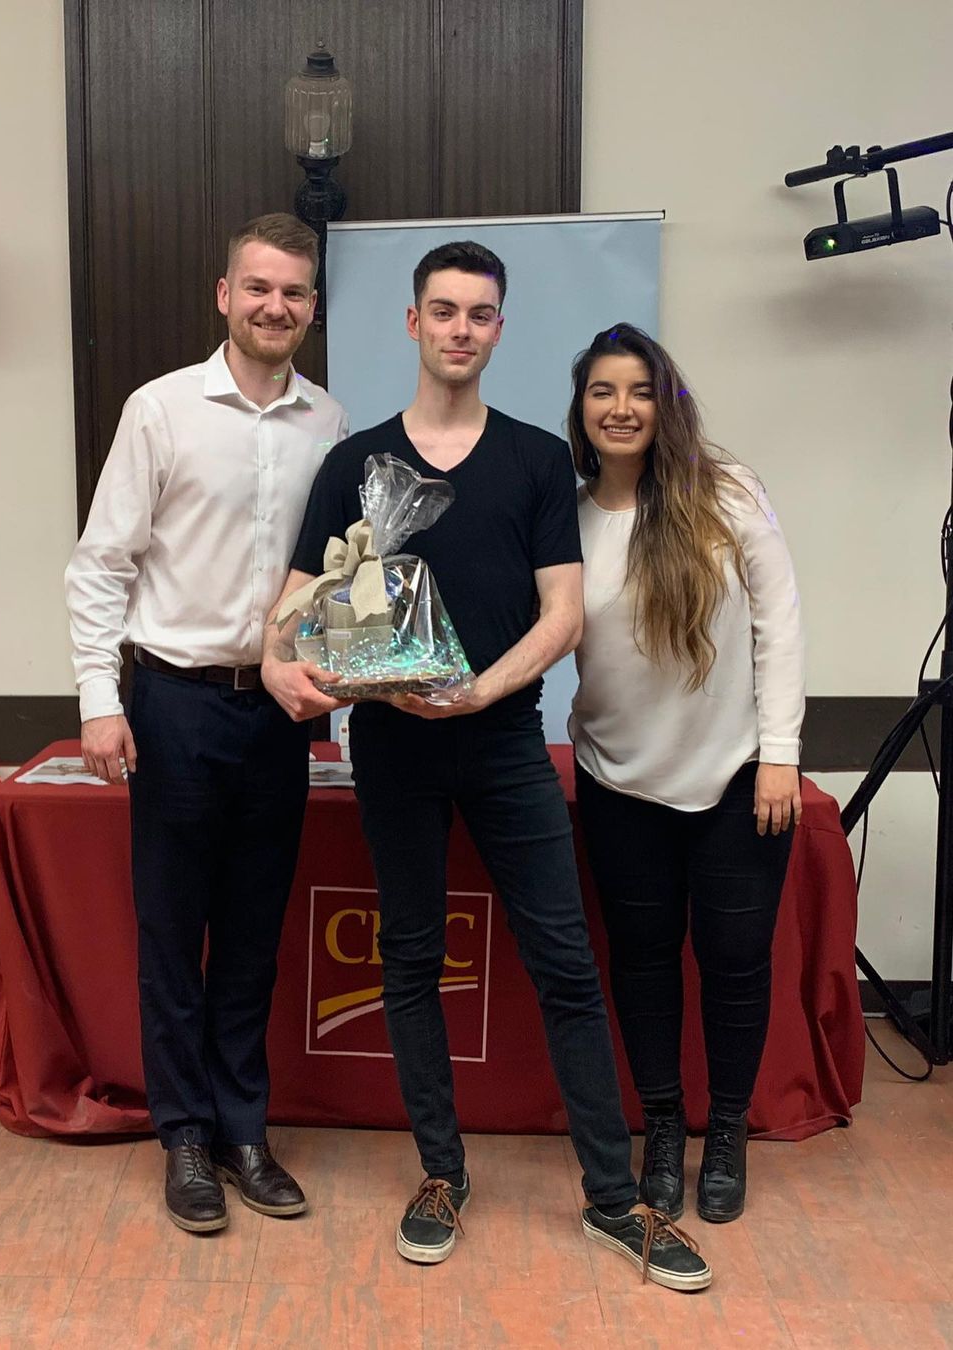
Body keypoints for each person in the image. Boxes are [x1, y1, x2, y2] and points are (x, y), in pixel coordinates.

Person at [263, 243, 711, 1291]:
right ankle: (440, 1174)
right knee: (409, 959)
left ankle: (614, 1201)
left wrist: (479, 690)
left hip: (507, 744)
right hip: (391, 749)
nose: (460, 329)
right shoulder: (356, 466)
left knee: (565, 964)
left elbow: (563, 614)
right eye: (444, 310)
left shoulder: (535, 461)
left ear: (499, 330)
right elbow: (288, 612)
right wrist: (303, 660)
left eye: (479, 314)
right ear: (412, 323)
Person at [65, 213, 349, 1234]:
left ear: (312, 308)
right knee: (172, 929)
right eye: (258, 288)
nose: (276, 306)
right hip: (175, 703)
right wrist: (101, 701)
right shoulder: (161, 410)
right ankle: (183, 1134)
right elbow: (101, 565)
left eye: (294, 292)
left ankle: (243, 1131)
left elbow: (337, 578)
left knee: (253, 935)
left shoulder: (331, 423)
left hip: (277, 712)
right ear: (224, 295)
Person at [567, 323, 805, 1224]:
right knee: (642, 960)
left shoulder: (728, 492)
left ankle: (727, 1130)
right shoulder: (568, 518)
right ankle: (663, 1126)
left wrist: (780, 755)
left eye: (639, 390)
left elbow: (779, 623)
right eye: (602, 391)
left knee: (735, 962)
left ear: (666, 404)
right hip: (617, 780)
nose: (621, 408)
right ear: (581, 409)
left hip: (738, 779)